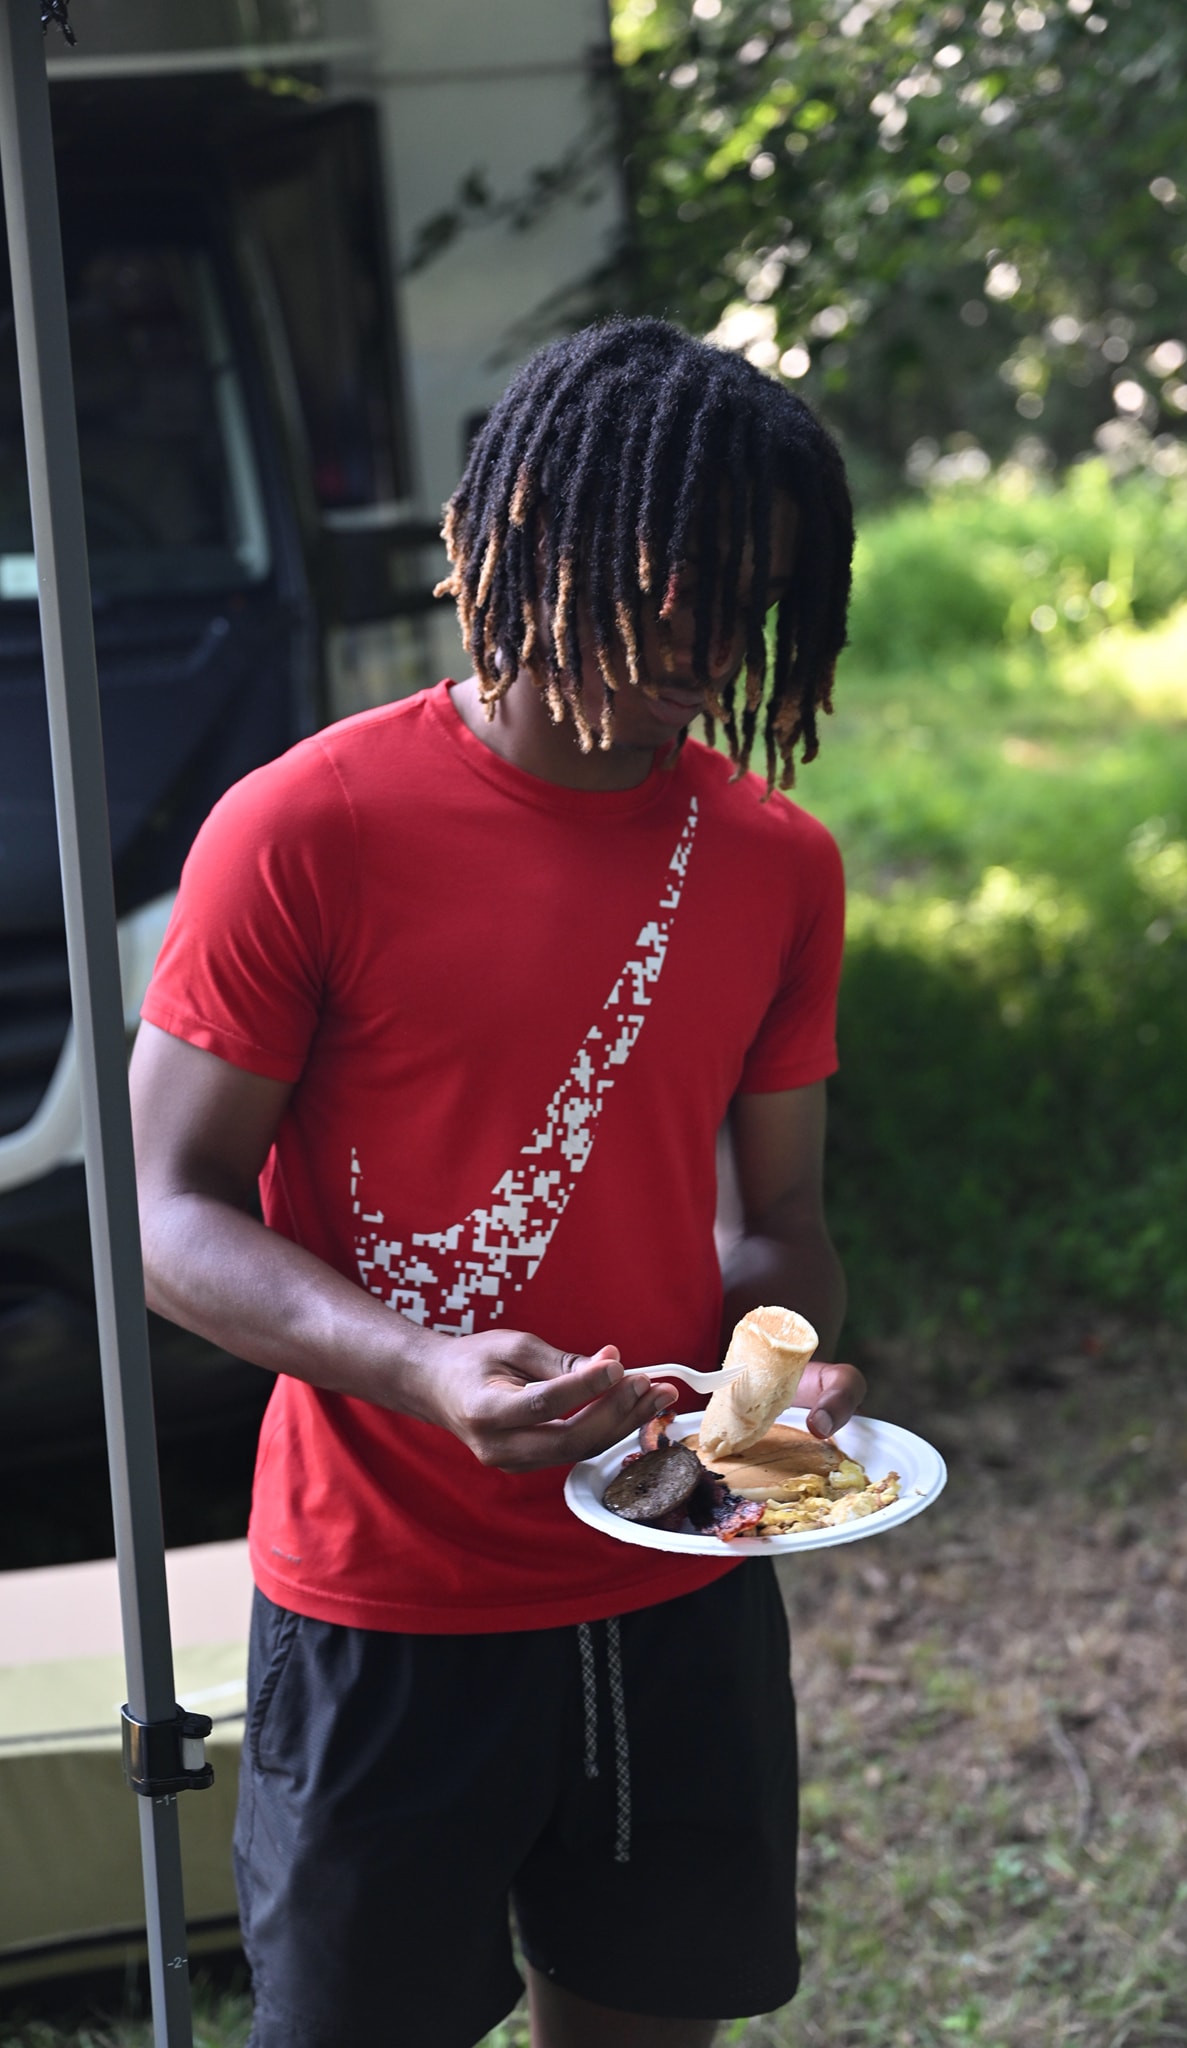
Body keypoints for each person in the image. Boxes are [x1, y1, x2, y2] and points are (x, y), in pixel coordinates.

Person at [130, 316, 862, 2048]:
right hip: (389, 1594)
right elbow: (166, 1210)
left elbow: (772, 1228)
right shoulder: (305, 827)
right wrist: (419, 1367)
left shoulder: (773, 864)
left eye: (754, 599)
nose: (714, 643)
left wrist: (780, 1380)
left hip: (674, 1576)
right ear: (536, 525)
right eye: (678, 582)